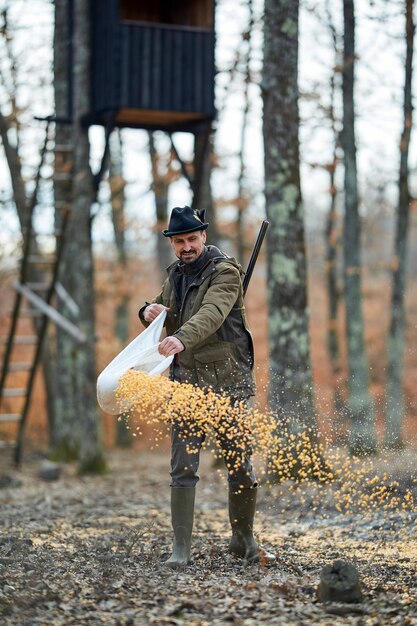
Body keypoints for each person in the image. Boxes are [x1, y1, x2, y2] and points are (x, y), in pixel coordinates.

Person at [139, 205, 274, 568]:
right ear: (172, 243)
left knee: (239, 463)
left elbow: (211, 315)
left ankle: (243, 540)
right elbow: (161, 307)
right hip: (186, 383)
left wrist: (181, 338)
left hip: (228, 382)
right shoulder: (176, 275)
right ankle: (180, 549)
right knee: (182, 467)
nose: (186, 247)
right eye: (179, 241)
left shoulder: (226, 272)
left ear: (204, 237)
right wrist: (147, 312)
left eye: (191, 239)